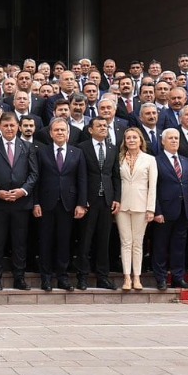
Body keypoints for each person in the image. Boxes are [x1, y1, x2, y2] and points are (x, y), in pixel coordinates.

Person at [32, 117, 87, 292]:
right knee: (45, 241)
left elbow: (82, 180)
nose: (60, 132)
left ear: (68, 133)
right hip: (46, 204)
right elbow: (36, 180)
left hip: (68, 204)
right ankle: (46, 277)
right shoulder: (42, 152)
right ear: (50, 133)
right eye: (56, 130)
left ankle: (62, 277)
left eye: (63, 130)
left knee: (64, 241)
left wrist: (81, 204)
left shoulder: (76, 153)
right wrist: (36, 203)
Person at [0, 113, 37, 291]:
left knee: (19, 242)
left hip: (21, 203)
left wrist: (23, 191)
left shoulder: (27, 147)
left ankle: (19, 278)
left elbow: (34, 173)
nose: (9, 128)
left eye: (12, 125)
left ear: (18, 127)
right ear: (0, 126)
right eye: (5, 125)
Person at [149, 128, 188, 291]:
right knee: (160, 246)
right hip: (164, 211)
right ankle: (161, 278)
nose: (174, 141)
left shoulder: (186, 161)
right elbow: (153, 188)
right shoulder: (156, 161)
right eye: (170, 138)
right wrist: (157, 211)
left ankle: (178, 277)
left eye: (176, 138)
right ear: (163, 141)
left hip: (184, 210)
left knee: (179, 246)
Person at [78, 117, 120, 290]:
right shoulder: (82, 148)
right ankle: (82, 277)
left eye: (105, 126)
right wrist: (82, 201)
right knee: (85, 240)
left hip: (106, 201)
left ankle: (103, 276)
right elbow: (80, 176)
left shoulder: (112, 148)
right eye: (99, 126)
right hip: (89, 200)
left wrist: (117, 198)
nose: (103, 128)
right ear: (90, 130)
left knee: (104, 240)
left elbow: (115, 175)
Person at [114, 128, 157, 291]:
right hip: (123, 206)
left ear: (140, 140)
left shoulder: (149, 159)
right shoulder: (119, 158)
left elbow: (152, 186)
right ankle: (127, 277)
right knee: (125, 242)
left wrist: (151, 209)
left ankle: (137, 277)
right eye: (128, 138)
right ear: (124, 141)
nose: (131, 140)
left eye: (134, 137)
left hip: (141, 205)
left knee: (138, 243)